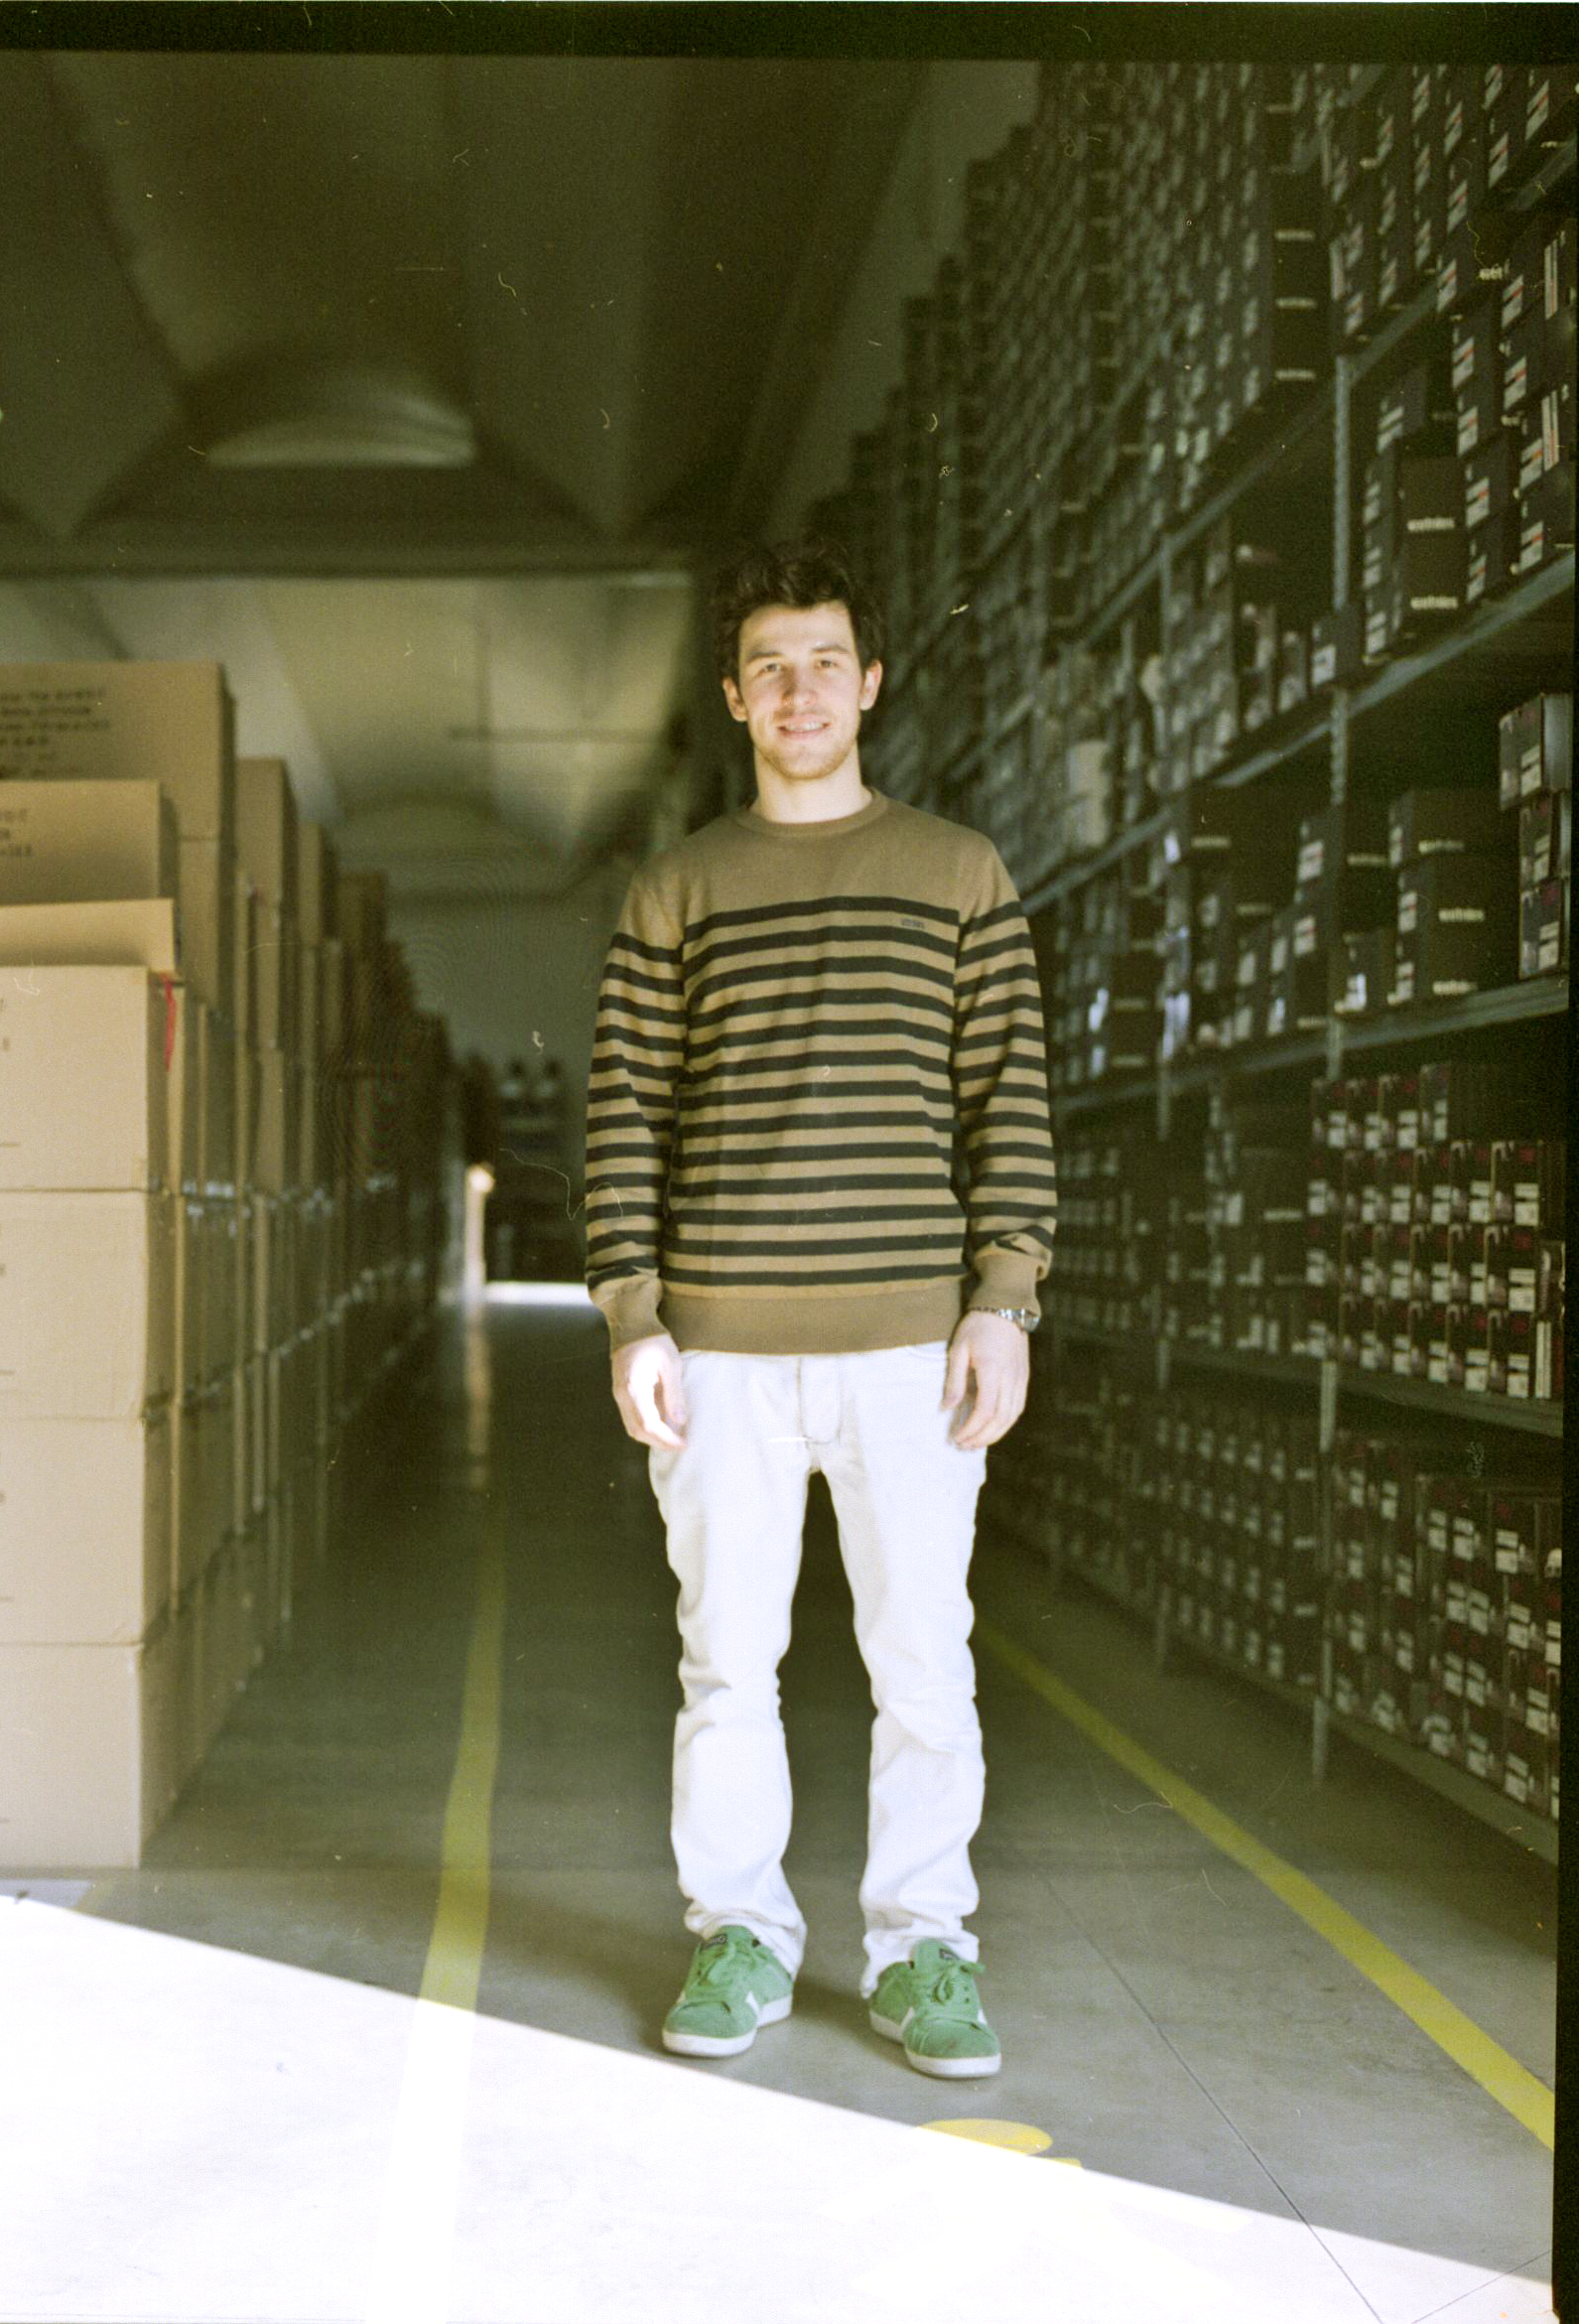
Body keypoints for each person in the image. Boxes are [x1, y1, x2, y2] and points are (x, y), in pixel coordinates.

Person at [582, 536, 1054, 2078]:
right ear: (735, 696)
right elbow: (626, 1108)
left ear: (872, 682)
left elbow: (1008, 1098)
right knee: (730, 1662)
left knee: (925, 1660)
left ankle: (925, 1950)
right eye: (770, 667)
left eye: (826, 663)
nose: (800, 692)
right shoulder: (679, 888)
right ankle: (739, 1932)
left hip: (913, 1348)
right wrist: (633, 1313)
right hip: (722, 1349)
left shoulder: (958, 873)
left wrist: (1004, 1299)